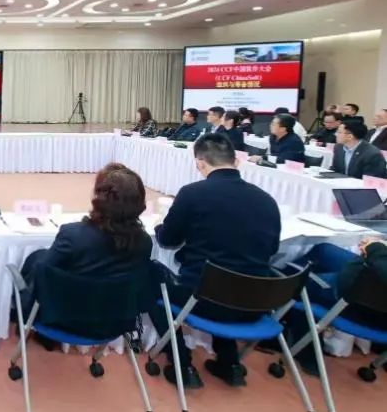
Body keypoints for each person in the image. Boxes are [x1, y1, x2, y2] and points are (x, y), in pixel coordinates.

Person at [147, 133, 280, 388]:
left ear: (199, 163)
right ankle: (230, 363)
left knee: (151, 278)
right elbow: (271, 250)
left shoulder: (192, 194)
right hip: (256, 303)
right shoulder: (267, 200)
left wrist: (160, 225)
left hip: (205, 300)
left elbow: (168, 240)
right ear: (236, 161)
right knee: (227, 276)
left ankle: (182, 363)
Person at [25, 163, 152, 340]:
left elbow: (44, 275)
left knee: (36, 260)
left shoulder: (73, 235)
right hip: (115, 324)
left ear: (99, 199)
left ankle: (23, 318)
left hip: (66, 320)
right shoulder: (145, 242)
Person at [285, 238, 387, 375]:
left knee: (296, 281)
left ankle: (305, 350)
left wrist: (374, 247)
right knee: (323, 250)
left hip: (359, 302)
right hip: (367, 277)